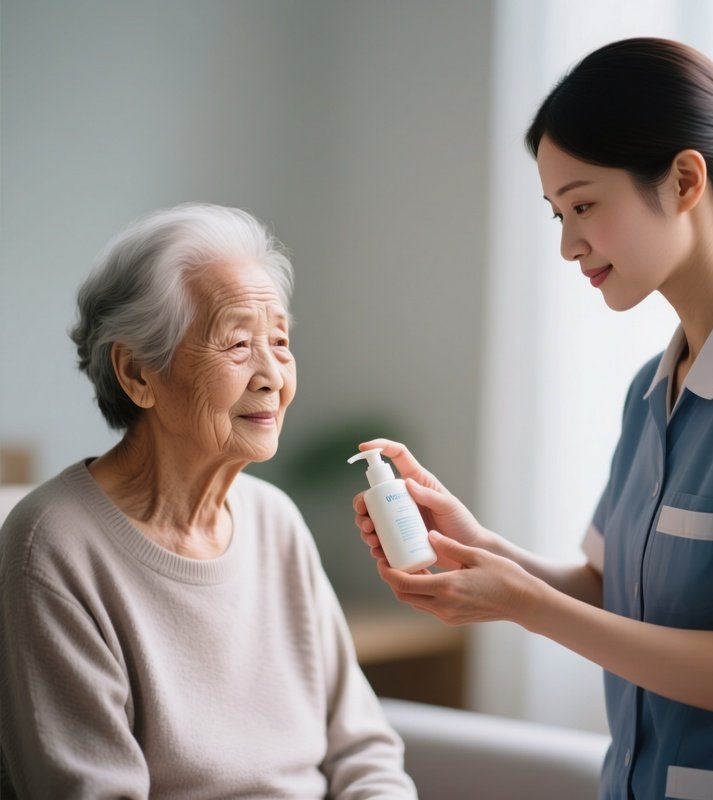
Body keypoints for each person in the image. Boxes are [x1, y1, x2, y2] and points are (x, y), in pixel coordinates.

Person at [353, 38, 713, 799]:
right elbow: (604, 587)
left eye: (585, 205)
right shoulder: (651, 390)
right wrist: (475, 545)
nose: (567, 244)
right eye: (558, 213)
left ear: (685, 179)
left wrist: (523, 606)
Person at [0, 203, 417, 799]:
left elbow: (363, 749)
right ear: (137, 372)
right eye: (239, 344)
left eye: (280, 340)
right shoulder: (53, 547)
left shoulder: (275, 520)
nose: (273, 373)